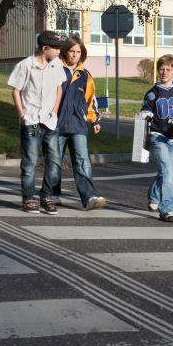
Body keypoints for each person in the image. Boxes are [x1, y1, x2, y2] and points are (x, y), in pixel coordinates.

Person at [8, 30, 67, 215]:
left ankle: (46, 195)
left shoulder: (57, 64)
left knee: (55, 161)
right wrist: (22, 112)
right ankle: (28, 198)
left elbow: (59, 88)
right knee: (30, 161)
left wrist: (55, 110)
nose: (59, 51)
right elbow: (15, 90)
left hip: (50, 121)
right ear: (44, 48)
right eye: (56, 48)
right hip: (31, 119)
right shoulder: (25, 65)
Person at [53, 35, 106, 211]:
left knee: (82, 161)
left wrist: (94, 119)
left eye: (78, 52)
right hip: (56, 125)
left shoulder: (85, 76)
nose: (75, 55)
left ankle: (89, 197)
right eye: (72, 51)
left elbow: (90, 101)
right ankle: (53, 195)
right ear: (65, 51)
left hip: (78, 125)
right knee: (54, 161)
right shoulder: (55, 70)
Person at [141, 54, 173, 223]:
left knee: (167, 172)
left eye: (168, 69)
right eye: (161, 69)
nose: (164, 72)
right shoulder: (152, 92)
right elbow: (145, 110)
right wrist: (147, 116)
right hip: (157, 136)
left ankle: (154, 196)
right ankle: (168, 209)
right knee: (168, 171)